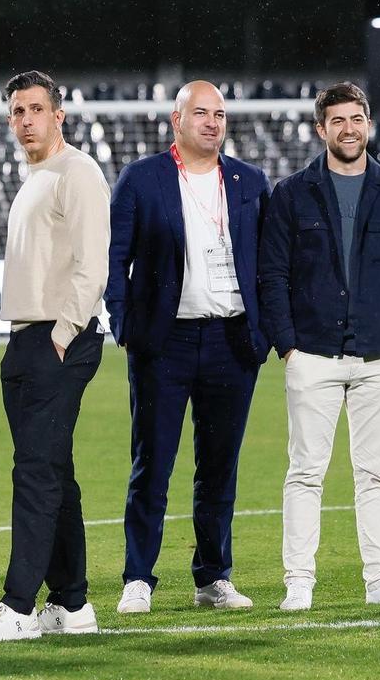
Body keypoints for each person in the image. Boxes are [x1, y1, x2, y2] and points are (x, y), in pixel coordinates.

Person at [259, 82, 380, 612]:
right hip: (312, 354)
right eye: (337, 120)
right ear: (321, 129)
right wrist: (287, 345)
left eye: (356, 118)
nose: (349, 128)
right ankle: (299, 582)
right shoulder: (291, 194)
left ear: (369, 124)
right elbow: (273, 274)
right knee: (305, 472)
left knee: (376, 472)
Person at [105, 80, 270, 616]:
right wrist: (124, 324)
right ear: (176, 120)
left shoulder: (250, 181)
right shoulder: (142, 178)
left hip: (232, 340)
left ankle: (214, 577)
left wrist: (263, 332)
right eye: (201, 113)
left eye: (219, 114)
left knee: (219, 468)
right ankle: (138, 578)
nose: (212, 122)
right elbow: (114, 258)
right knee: (152, 465)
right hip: (164, 342)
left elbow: (269, 262)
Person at [0, 71, 110, 642]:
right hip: (27, 337)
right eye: (18, 111)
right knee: (54, 471)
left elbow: (94, 264)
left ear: (59, 116)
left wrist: (64, 333)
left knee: (34, 472)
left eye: (36, 109)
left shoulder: (78, 172)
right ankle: (72, 604)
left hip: (59, 337)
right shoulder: (34, 178)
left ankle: (18, 605)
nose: (26, 120)